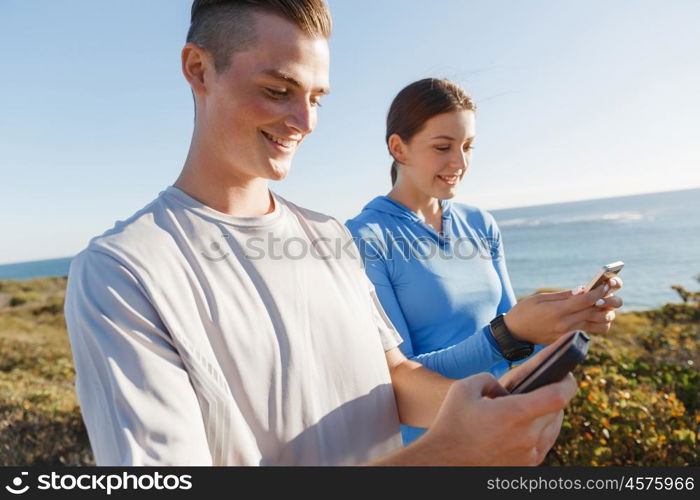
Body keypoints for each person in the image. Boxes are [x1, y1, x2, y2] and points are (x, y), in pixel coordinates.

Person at [65, 0, 580, 466]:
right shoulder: (122, 272)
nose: (305, 120)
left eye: (317, 97)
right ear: (199, 70)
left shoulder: (329, 236)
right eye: (277, 91)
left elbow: (394, 379)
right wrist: (450, 452)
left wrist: (494, 405)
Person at [345, 78, 623, 444]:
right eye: (443, 146)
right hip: (431, 447)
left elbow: (517, 342)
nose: (459, 162)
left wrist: (565, 316)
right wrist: (506, 335)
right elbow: (397, 379)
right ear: (399, 148)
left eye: (468, 146)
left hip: (504, 427)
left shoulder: (480, 222)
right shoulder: (364, 238)